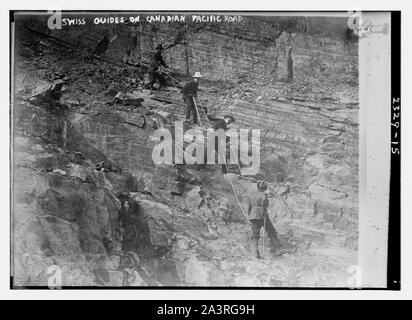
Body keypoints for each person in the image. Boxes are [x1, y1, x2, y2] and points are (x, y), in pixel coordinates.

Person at [246, 181, 281, 259]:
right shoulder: (264, 194)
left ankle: (256, 253)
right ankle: (278, 249)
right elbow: (265, 203)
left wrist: (250, 216)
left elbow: (248, 207)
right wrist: (264, 207)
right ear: (264, 188)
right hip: (262, 215)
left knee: (255, 235)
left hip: (253, 215)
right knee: (271, 231)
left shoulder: (250, 194)